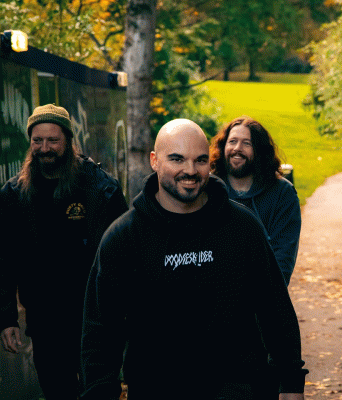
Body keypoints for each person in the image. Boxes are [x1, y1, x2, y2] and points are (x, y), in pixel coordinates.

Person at [80, 119, 307, 400]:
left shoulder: (242, 227)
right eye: (177, 159)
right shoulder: (124, 237)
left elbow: (275, 308)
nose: (190, 170)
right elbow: (100, 331)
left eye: (200, 160)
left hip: (239, 388)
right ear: (154, 160)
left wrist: (291, 382)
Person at [0, 104, 128, 399]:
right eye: (37, 140)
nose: (44, 148)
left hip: (95, 319)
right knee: (57, 391)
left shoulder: (100, 189)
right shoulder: (14, 195)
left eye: (53, 140)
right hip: (45, 322)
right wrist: (6, 318)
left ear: (69, 141)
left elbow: (124, 254)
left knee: (99, 392)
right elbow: (4, 259)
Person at [210, 116, 301, 286]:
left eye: (247, 143)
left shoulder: (282, 194)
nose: (237, 148)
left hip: (261, 296)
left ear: (259, 150)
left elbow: (282, 261)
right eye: (232, 141)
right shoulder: (207, 189)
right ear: (223, 146)